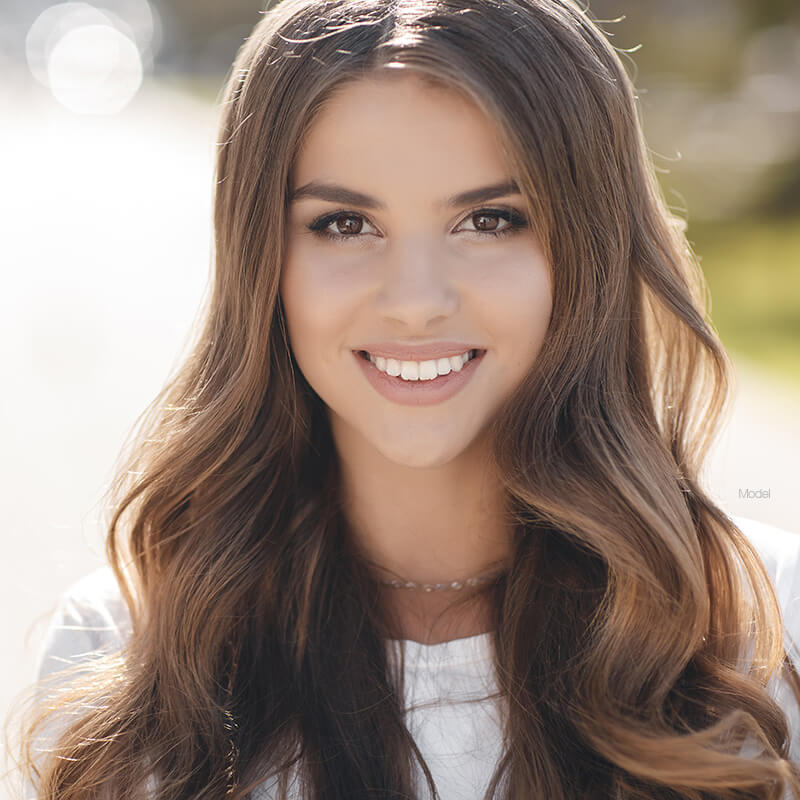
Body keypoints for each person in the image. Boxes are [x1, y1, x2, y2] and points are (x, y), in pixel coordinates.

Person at [17, 0, 800, 797]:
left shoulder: (767, 632)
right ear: (262, 260)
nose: (416, 301)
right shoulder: (127, 650)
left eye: (490, 219)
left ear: (589, 249)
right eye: (345, 224)